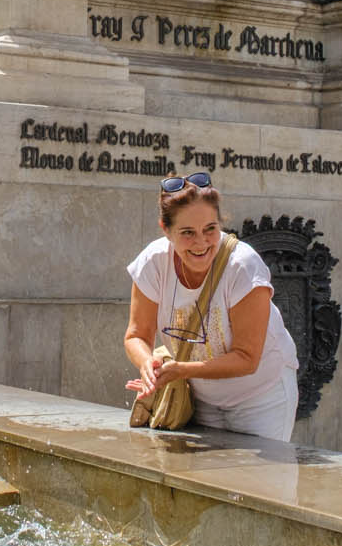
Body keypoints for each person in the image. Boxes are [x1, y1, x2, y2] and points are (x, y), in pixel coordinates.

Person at [124, 172, 298, 438]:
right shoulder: (153, 262)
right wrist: (148, 364)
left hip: (262, 398)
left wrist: (180, 370)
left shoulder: (243, 266)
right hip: (202, 399)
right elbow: (137, 334)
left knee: (260, 480)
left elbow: (247, 359)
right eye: (187, 233)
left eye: (210, 229)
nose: (201, 242)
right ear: (165, 230)